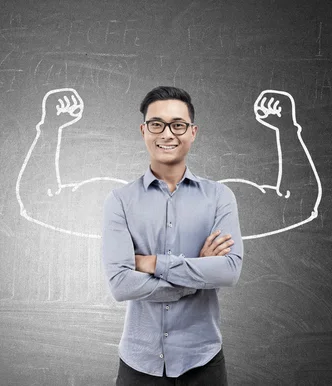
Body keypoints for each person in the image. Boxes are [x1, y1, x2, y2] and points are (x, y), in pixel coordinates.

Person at [101, 86, 244, 385]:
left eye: (178, 125)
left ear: (193, 132)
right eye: (157, 124)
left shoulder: (220, 197)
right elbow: (120, 284)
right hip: (138, 363)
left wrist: (151, 263)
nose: (167, 134)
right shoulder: (120, 200)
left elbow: (229, 271)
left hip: (203, 361)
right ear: (144, 130)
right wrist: (195, 277)